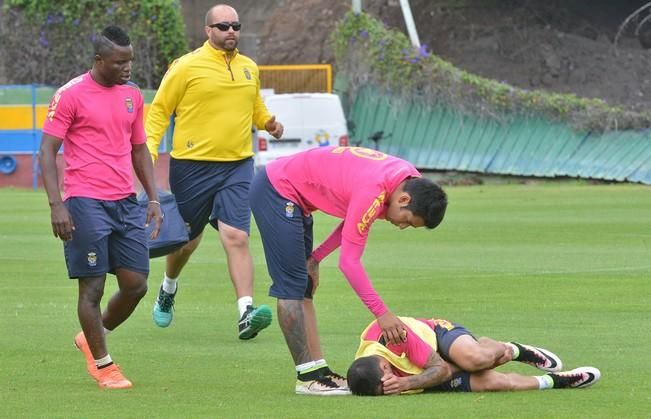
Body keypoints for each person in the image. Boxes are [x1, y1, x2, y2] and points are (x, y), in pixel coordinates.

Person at [249, 145, 448, 395]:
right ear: (404, 200)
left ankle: (319, 371)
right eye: (407, 220)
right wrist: (382, 314)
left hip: (293, 194)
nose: (401, 226)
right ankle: (306, 377)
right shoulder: (376, 189)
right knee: (290, 289)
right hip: (276, 189)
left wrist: (316, 258)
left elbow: (356, 218)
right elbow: (349, 263)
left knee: (304, 286)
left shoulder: (405, 178)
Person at [145, 4, 283, 338]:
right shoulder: (185, 67)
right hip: (191, 168)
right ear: (208, 31)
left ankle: (245, 313)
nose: (231, 31)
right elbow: (159, 112)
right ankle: (168, 289)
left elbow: (254, 106)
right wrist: (148, 154)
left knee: (236, 236)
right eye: (223, 26)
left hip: (237, 165)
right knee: (185, 244)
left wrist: (267, 122)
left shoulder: (249, 67)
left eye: (236, 25)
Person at [39, 26, 163, 389]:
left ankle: (90, 338)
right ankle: (104, 364)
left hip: (124, 201)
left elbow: (139, 148)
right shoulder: (71, 94)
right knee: (91, 289)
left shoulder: (132, 95)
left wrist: (152, 197)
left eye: (130, 61)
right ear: (99, 60)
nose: (127, 68)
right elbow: (47, 150)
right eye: (119, 62)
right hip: (84, 201)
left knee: (136, 285)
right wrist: (56, 205)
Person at [347, 316, 601, 395]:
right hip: (430, 372)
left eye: (388, 382)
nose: (391, 387)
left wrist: (406, 383)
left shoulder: (394, 339)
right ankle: (558, 381)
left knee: (475, 360)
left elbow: (442, 370)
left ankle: (512, 349)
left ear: (383, 364)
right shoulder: (371, 374)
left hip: (437, 337)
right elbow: (442, 375)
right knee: (496, 383)